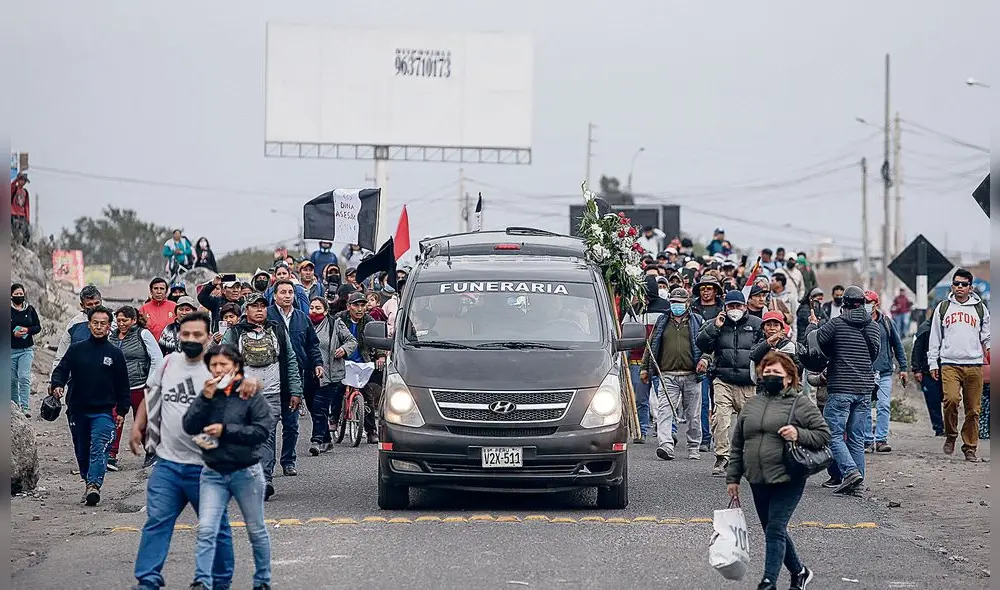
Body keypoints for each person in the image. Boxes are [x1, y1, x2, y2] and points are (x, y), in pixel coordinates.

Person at [128, 312, 260, 590]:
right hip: (167, 464)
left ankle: (220, 581)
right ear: (178, 335)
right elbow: (151, 396)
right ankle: (148, 580)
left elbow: (250, 385)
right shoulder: (168, 363)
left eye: (196, 335)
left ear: (208, 336)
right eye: (185, 334)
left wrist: (251, 383)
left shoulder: (218, 367)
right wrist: (137, 427)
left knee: (217, 529)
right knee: (156, 522)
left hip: (207, 467)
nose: (190, 339)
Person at [727, 351, 828, 590]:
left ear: (790, 378)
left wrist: (798, 434)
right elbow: (738, 444)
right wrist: (733, 478)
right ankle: (800, 572)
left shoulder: (800, 404)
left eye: (777, 373)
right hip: (757, 478)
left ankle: (768, 581)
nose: (771, 376)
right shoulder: (751, 405)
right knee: (772, 529)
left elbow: (824, 434)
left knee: (775, 528)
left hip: (788, 476)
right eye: (767, 372)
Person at [184, 344, 274, 590]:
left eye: (223, 365)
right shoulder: (208, 393)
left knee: (255, 530)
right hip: (213, 472)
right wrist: (204, 398)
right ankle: (202, 580)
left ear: (235, 366)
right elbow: (189, 425)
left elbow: (262, 429)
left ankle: (262, 580)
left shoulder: (249, 392)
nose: (218, 370)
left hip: (246, 471)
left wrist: (226, 430)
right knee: (207, 529)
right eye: (213, 365)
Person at [222, 293, 302, 500]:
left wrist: (295, 390)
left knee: (266, 436)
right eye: (254, 306)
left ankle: (264, 480)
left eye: (262, 306)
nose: (259, 310)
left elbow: (291, 360)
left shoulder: (277, 329)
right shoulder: (234, 333)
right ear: (246, 310)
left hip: (272, 394)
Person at [50, 306, 130, 506]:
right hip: (77, 410)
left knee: (99, 447)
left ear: (109, 327)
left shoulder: (115, 354)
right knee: (82, 450)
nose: (99, 327)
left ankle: (94, 485)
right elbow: (61, 369)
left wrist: (122, 410)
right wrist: (57, 385)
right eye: (95, 323)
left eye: (103, 324)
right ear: (89, 325)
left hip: (103, 411)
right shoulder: (77, 349)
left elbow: (123, 385)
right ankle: (88, 480)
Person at [811, 285, 880, 494]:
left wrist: (812, 327)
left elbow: (817, 343)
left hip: (841, 387)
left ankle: (850, 472)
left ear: (844, 304)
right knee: (857, 437)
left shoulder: (836, 324)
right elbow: (874, 355)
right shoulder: (874, 326)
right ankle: (857, 485)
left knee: (833, 435)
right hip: (865, 389)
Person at [696, 290, 763, 476]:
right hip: (722, 380)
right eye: (731, 306)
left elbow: (765, 348)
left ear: (745, 307)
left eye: (738, 306)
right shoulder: (717, 323)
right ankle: (722, 457)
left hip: (748, 383)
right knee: (720, 419)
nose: (735, 309)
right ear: (725, 308)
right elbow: (701, 344)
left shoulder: (756, 325)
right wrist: (714, 327)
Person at [927, 268, 991, 461]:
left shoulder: (980, 308)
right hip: (950, 364)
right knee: (951, 401)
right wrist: (933, 363)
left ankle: (970, 447)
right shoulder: (943, 308)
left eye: (964, 284)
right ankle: (951, 435)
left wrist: (990, 353)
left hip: (974, 365)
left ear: (970, 287)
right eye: (956, 284)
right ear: (952, 286)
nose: (959, 287)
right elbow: (935, 337)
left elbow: (987, 337)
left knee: (973, 409)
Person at [639, 287, 706, 460]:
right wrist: (645, 368)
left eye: (680, 303)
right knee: (664, 411)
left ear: (688, 303)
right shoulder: (662, 321)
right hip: (667, 375)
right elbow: (651, 346)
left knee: (693, 415)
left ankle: (693, 446)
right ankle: (666, 445)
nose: (676, 306)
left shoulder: (697, 321)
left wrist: (705, 360)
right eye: (673, 302)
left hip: (691, 375)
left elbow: (708, 346)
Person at [267, 280, 324, 477]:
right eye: (283, 292)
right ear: (274, 296)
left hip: (295, 376)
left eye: (290, 292)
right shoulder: (266, 316)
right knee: (270, 425)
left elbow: (312, 345)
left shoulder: (302, 318)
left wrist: (317, 363)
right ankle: (268, 464)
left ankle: (288, 461)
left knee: (291, 424)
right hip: (270, 375)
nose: (287, 295)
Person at [107, 306, 164, 472]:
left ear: (133, 320)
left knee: (143, 422)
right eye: (119, 320)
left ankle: (151, 452)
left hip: (140, 386)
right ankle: (111, 455)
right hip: (117, 388)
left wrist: (150, 382)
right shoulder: (112, 337)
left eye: (125, 320)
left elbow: (156, 358)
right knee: (115, 419)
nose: (122, 323)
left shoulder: (143, 334)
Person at [306, 297, 357, 455]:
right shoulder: (305, 323)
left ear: (326, 311)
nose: (314, 311)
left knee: (319, 406)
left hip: (330, 373)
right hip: (309, 372)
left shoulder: (335, 323)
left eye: (318, 308)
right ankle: (327, 439)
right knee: (311, 407)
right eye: (312, 308)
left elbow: (351, 341)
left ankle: (317, 440)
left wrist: (343, 349)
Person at [335, 292, 387, 443]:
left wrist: (380, 355)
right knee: (336, 390)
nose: (359, 309)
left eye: (362, 305)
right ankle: (333, 420)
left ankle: (371, 431)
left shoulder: (369, 320)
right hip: (341, 361)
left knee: (367, 395)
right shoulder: (340, 319)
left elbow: (377, 339)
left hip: (362, 362)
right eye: (356, 305)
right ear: (348, 306)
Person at [863, 290, 908, 454]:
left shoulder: (887, 323)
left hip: (884, 372)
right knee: (865, 407)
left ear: (876, 304)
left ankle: (881, 440)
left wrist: (903, 368)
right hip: (865, 374)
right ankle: (867, 440)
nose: (865, 305)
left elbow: (898, 346)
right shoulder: (859, 323)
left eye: (868, 302)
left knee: (883, 405)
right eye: (863, 301)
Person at [52, 285, 116, 371]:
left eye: (96, 303)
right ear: (82, 305)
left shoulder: (115, 321)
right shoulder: (75, 323)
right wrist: (55, 379)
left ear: (101, 301)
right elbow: (61, 355)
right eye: (90, 304)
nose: (94, 307)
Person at [911, 313, 945, 436]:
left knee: (949, 399)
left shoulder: (947, 328)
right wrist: (917, 369)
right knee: (933, 400)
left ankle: (949, 426)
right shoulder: (925, 330)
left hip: (946, 367)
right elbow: (917, 349)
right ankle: (939, 428)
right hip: (927, 370)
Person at [11, 283, 42, 416]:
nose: (19, 296)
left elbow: (38, 327)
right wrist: (13, 333)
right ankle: (14, 407)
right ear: (11, 295)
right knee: (12, 380)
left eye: (21, 294)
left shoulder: (30, 309)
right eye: (16, 294)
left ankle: (25, 406)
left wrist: (28, 330)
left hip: (26, 349)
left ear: (24, 294)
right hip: (10, 350)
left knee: (24, 377)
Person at [139, 278, 177, 342]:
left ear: (166, 291)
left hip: (170, 346)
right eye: (156, 288)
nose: (159, 292)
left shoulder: (174, 306)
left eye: (162, 289)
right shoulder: (143, 309)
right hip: (150, 346)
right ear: (151, 291)